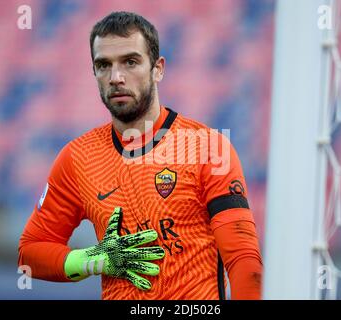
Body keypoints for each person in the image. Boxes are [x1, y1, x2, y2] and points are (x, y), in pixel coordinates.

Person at [18, 11, 262, 300]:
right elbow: (30, 254)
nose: (116, 77)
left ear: (158, 69)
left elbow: (245, 262)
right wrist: (95, 259)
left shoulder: (207, 148)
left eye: (130, 62)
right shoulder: (77, 158)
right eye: (103, 65)